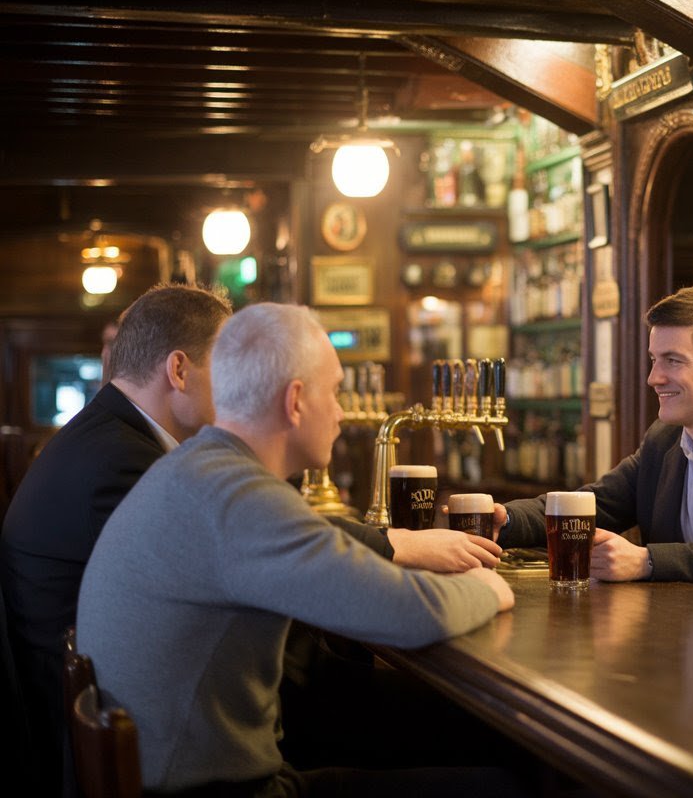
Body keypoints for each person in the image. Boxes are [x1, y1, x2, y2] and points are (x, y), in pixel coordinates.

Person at [76, 302, 518, 796]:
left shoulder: (203, 469)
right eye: (334, 392)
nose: (342, 412)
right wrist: (488, 589)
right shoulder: (235, 494)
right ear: (295, 402)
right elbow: (405, 613)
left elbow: (331, 557)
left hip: (182, 774)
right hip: (221, 791)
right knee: (505, 783)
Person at [0, 283, 232, 797]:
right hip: (98, 743)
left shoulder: (109, 437)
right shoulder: (120, 459)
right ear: (178, 370)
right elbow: (226, 561)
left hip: (97, 715)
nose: (235, 387)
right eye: (226, 366)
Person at [493, 286, 693, 598]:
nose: (654, 378)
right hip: (672, 637)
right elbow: (594, 504)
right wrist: (504, 520)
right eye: (654, 360)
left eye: (673, 361)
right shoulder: (663, 440)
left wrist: (646, 561)